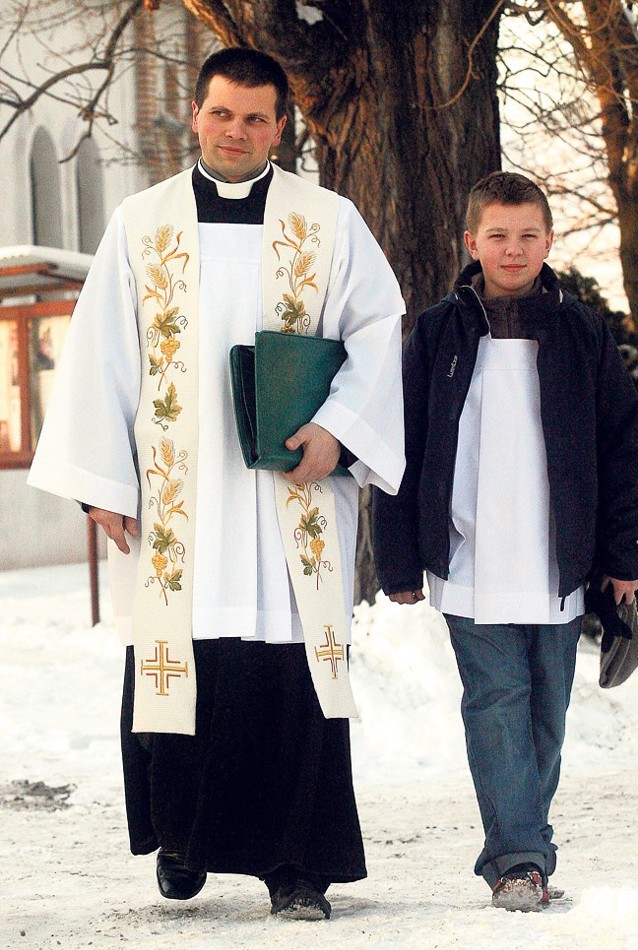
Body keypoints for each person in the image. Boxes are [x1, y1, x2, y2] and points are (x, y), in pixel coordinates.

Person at [29, 48, 405, 921]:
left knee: (288, 678)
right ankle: (183, 843)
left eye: (257, 118)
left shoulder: (330, 220)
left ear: (283, 127)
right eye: (223, 114)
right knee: (179, 666)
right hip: (176, 501)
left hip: (291, 490)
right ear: (197, 116)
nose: (238, 132)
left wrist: (339, 429)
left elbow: (380, 331)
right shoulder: (140, 222)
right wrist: (100, 481)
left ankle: (297, 866)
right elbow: (100, 355)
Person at [373, 171, 638, 912]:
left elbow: (623, 449)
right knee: (497, 699)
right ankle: (518, 860)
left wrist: (624, 559)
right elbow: (402, 443)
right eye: (498, 235)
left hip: (558, 560)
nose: (513, 249)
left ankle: (525, 839)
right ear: (472, 243)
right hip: (470, 557)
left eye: (528, 235)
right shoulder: (438, 332)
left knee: (545, 712)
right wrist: (398, 556)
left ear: (549, 241)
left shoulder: (581, 331)